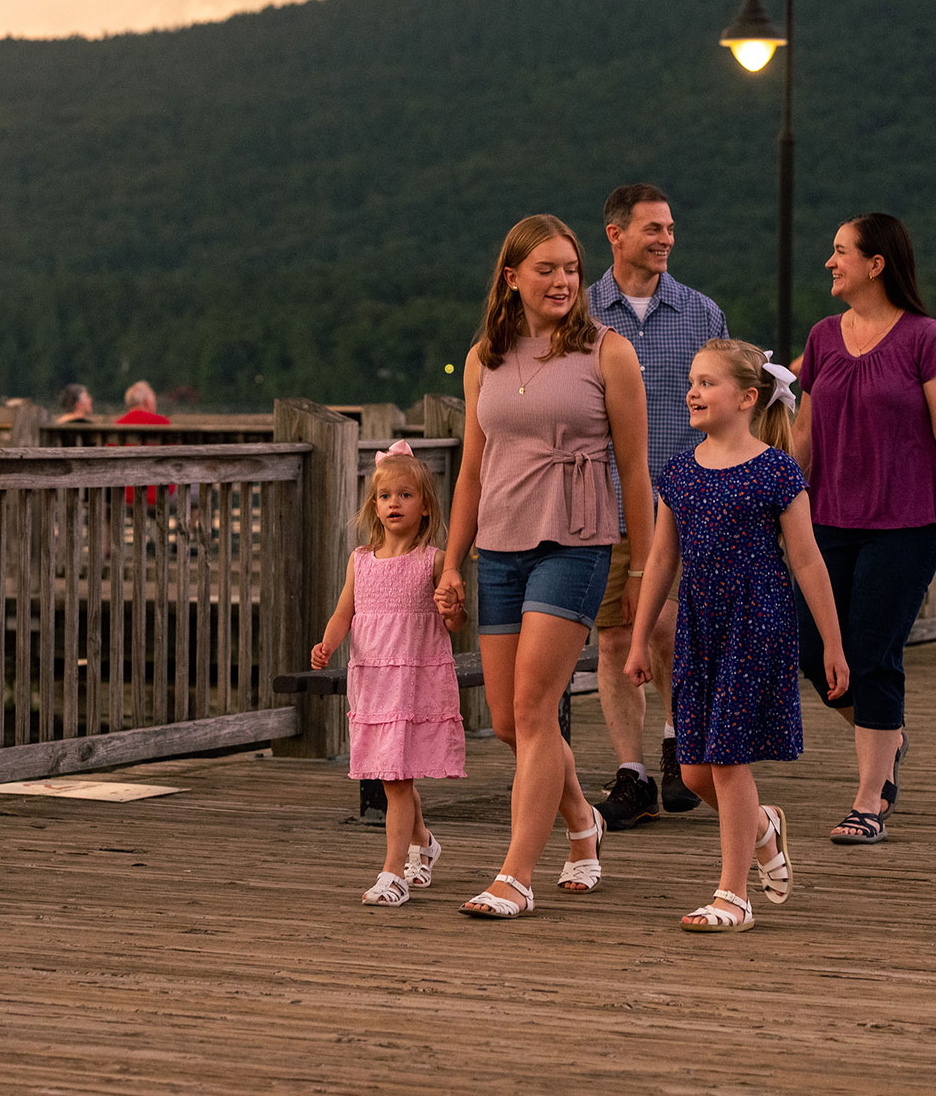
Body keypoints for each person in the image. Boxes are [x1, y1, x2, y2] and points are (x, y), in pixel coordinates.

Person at [436, 214, 652, 919]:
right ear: (512, 278)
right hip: (498, 546)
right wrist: (449, 565)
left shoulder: (607, 353)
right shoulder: (483, 358)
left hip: (577, 541)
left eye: (569, 269)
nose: (562, 282)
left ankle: (515, 875)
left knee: (535, 708)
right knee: (507, 719)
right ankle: (584, 821)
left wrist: (645, 567)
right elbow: (471, 471)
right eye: (546, 270)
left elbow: (635, 469)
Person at [626, 340, 848, 932]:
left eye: (708, 383)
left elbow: (807, 562)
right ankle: (763, 829)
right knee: (697, 769)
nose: (693, 392)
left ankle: (733, 893)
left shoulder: (776, 470)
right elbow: (660, 561)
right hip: (701, 627)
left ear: (748, 398)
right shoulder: (680, 472)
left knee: (726, 760)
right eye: (692, 382)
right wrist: (639, 639)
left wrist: (831, 641)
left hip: (758, 623)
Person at [789, 213, 936, 846]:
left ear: (876, 264)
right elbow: (803, 442)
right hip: (827, 524)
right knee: (814, 652)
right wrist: (766, 497)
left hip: (905, 523)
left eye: (840, 251)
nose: (830, 262)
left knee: (872, 654)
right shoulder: (822, 337)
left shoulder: (926, 339)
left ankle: (869, 798)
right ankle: (888, 733)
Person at [585, 183, 729, 829]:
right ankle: (632, 772)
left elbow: (728, 403)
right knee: (615, 637)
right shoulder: (581, 313)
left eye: (670, 228)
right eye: (653, 229)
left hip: (686, 502)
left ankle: (679, 743)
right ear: (615, 234)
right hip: (606, 504)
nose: (667, 238)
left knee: (670, 630)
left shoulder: (702, 314)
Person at [309, 442, 468, 905]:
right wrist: (328, 644)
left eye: (405, 495)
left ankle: (391, 872)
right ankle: (425, 844)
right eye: (385, 496)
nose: (393, 503)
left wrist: (454, 610)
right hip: (375, 681)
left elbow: (454, 623)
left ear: (425, 506)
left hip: (415, 682)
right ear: (373, 506)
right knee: (392, 774)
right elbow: (344, 612)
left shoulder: (434, 561)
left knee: (397, 778)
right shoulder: (361, 560)